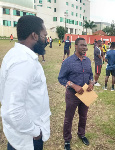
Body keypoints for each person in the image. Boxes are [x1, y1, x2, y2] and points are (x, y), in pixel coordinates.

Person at [0, 15, 50, 150]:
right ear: (34, 35)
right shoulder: (24, 62)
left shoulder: (16, 54)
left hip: (21, 136)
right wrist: (36, 132)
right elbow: (12, 110)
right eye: (44, 35)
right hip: (28, 140)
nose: (45, 39)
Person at [58, 38, 94, 150]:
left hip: (85, 94)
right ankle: (67, 140)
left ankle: (81, 134)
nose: (85, 48)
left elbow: (91, 75)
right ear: (76, 46)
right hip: (72, 95)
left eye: (86, 45)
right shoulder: (68, 62)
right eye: (82, 45)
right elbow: (61, 78)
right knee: (69, 118)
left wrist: (91, 83)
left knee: (83, 116)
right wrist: (73, 85)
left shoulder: (87, 61)